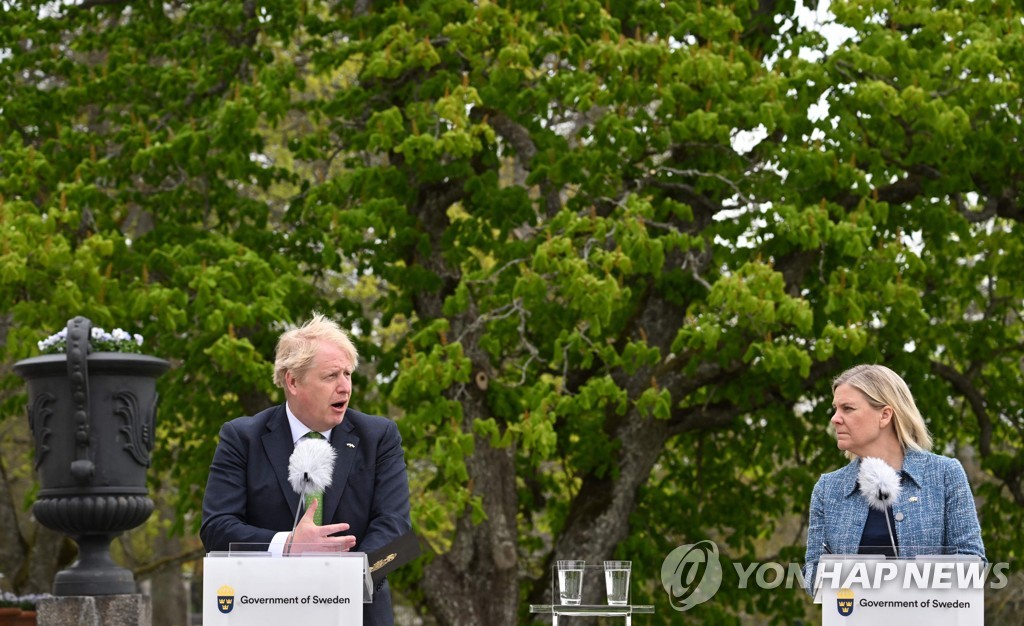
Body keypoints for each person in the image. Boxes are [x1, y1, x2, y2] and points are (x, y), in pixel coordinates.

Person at [201, 313, 412, 625]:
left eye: (348, 374)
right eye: (330, 376)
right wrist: (287, 545)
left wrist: (343, 583)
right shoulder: (242, 438)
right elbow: (215, 529)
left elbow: (397, 532)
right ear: (293, 381)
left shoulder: (379, 437)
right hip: (266, 611)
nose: (344, 387)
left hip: (360, 613)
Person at [803, 364, 985, 594]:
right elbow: (812, 576)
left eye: (847, 408)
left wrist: (901, 588)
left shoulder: (945, 474)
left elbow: (973, 565)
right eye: (836, 409)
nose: (835, 419)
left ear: (885, 415)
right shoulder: (828, 489)